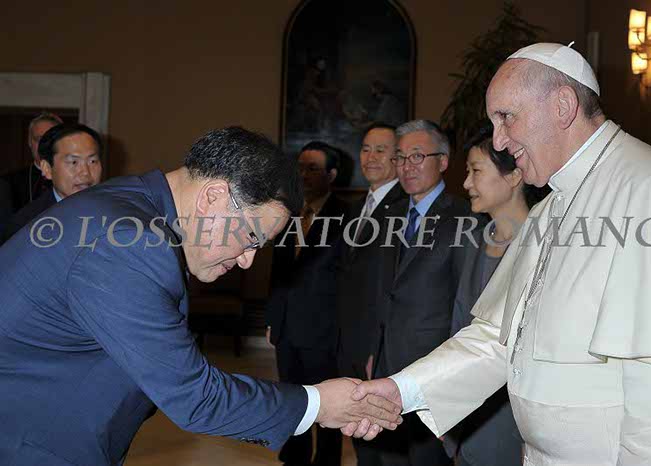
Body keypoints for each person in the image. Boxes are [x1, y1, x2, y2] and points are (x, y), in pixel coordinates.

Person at [349, 43, 651, 465]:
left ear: (562, 106)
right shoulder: (548, 209)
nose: (499, 139)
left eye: (506, 117)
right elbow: (496, 340)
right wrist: (401, 390)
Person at [0, 126, 402, 466]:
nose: (247, 260)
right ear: (213, 196)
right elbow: (196, 397)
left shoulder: (134, 202)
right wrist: (318, 403)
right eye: (251, 238)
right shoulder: (128, 242)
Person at [367, 120, 473, 466]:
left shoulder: (465, 217)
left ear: (443, 161)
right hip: (386, 365)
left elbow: (465, 305)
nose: (406, 167)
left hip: (433, 368)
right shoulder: (390, 216)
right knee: (390, 457)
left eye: (417, 156)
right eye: (400, 158)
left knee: (428, 460)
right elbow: (383, 289)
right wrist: (374, 349)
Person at [443, 121, 548, 466]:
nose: (466, 183)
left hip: (514, 423)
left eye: (475, 171)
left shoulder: (543, 246)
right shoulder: (475, 241)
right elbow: (459, 327)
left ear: (514, 175)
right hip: (469, 415)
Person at [265, 141, 350, 466]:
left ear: (332, 174)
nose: (303, 175)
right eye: (299, 167)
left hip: (324, 330)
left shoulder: (348, 216)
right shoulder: (288, 212)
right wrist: (273, 316)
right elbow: (278, 271)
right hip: (287, 327)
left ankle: (326, 460)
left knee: (328, 403)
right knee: (292, 400)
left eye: (312, 168)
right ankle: (295, 456)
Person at [336, 123, 407, 466]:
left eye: (381, 150)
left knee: (385, 443)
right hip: (349, 342)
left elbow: (391, 288)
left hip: (377, 347)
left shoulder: (406, 208)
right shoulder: (355, 210)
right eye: (366, 149)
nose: (371, 157)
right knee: (360, 435)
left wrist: (374, 349)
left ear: (398, 158)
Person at [1, 123, 103, 244]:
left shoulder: (115, 211)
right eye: (74, 162)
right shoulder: (25, 225)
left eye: (93, 161)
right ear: (47, 169)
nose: (85, 172)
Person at [3, 112, 62, 211]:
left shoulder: (74, 179)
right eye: (39, 139)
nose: (44, 144)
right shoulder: (9, 183)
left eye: (50, 139)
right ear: (29, 141)